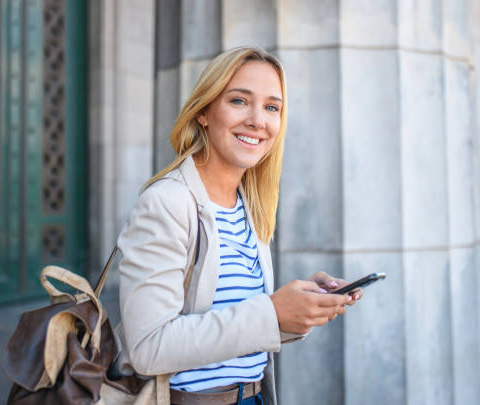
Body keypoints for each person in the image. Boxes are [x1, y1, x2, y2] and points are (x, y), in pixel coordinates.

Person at [115, 47, 362, 405]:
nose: (258, 120)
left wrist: (301, 308)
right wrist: (273, 310)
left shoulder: (250, 206)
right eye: (239, 101)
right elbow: (148, 347)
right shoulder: (168, 202)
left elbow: (242, 329)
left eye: (272, 107)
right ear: (203, 111)